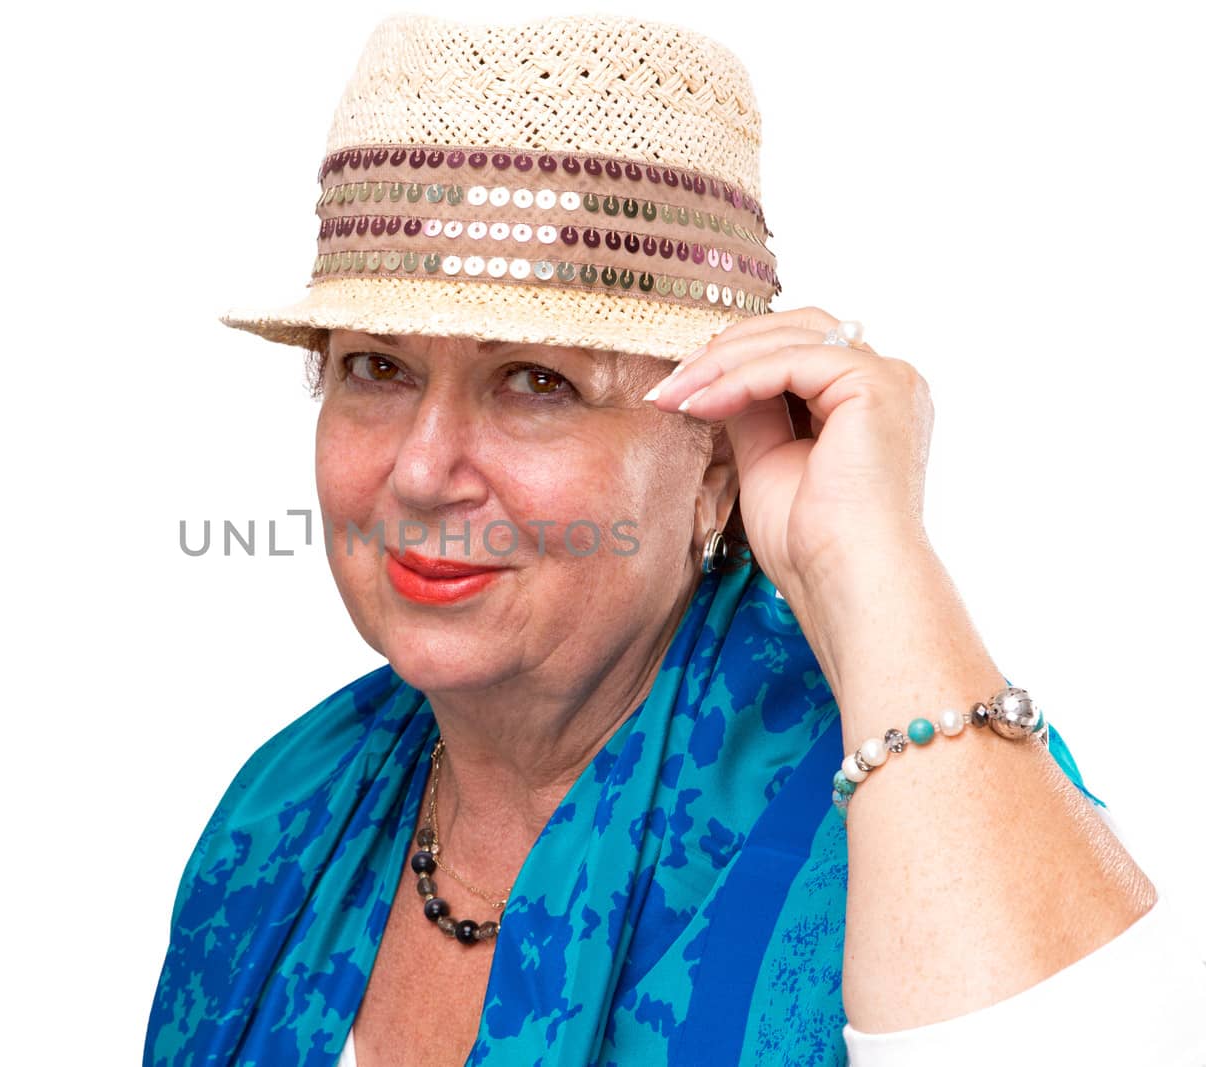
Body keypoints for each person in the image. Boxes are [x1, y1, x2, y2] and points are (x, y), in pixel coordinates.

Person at [146, 13, 1206, 1065]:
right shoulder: (284, 809)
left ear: (713, 462)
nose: (422, 470)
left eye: (535, 380)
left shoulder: (909, 801)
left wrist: (870, 560)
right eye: (377, 367)